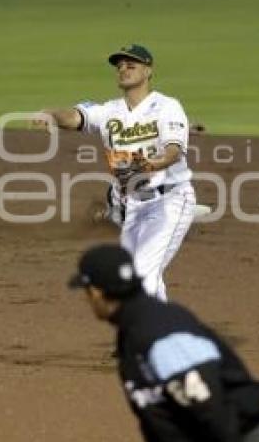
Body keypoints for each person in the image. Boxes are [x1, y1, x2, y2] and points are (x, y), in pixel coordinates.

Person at [68, 244, 259, 442]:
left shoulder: (158, 332)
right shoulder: (136, 327)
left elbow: (212, 409)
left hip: (239, 440)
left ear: (96, 292)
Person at [38, 44, 196, 300]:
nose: (123, 69)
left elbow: (173, 151)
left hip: (170, 201)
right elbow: (75, 116)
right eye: (119, 66)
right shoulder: (109, 111)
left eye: (131, 65)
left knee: (143, 274)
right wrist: (52, 115)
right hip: (133, 206)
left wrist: (149, 165)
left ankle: (153, 331)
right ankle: (163, 329)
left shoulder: (167, 106)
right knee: (134, 275)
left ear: (148, 71)